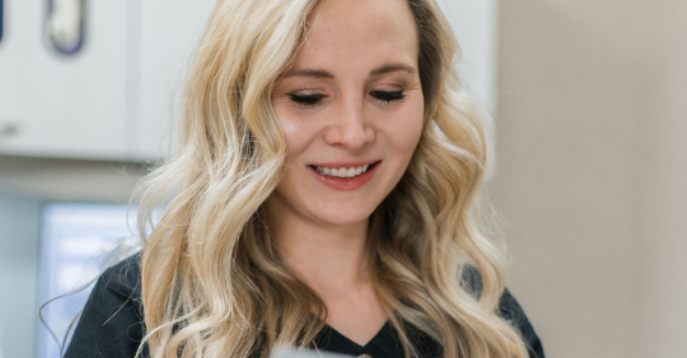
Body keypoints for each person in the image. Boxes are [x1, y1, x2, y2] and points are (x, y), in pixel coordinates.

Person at [64, 0, 545, 357]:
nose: (354, 134)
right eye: (309, 97)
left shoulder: (481, 320)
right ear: (237, 107)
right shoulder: (144, 311)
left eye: (387, 92)